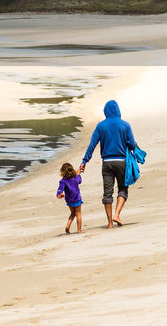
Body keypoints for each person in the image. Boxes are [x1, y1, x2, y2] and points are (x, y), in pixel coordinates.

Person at [80, 99, 138, 229]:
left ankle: (110, 224)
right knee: (123, 189)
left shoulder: (101, 126)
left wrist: (85, 161)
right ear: (118, 110)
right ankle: (117, 214)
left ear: (105, 111)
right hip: (121, 162)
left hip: (107, 163)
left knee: (107, 193)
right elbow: (132, 144)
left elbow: (92, 145)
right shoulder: (125, 125)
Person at [56, 162, 83, 234]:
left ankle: (68, 226)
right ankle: (79, 230)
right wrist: (78, 174)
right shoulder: (76, 178)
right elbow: (80, 181)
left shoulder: (63, 181)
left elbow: (60, 189)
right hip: (77, 198)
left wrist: (59, 194)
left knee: (72, 214)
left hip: (69, 200)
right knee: (78, 214)